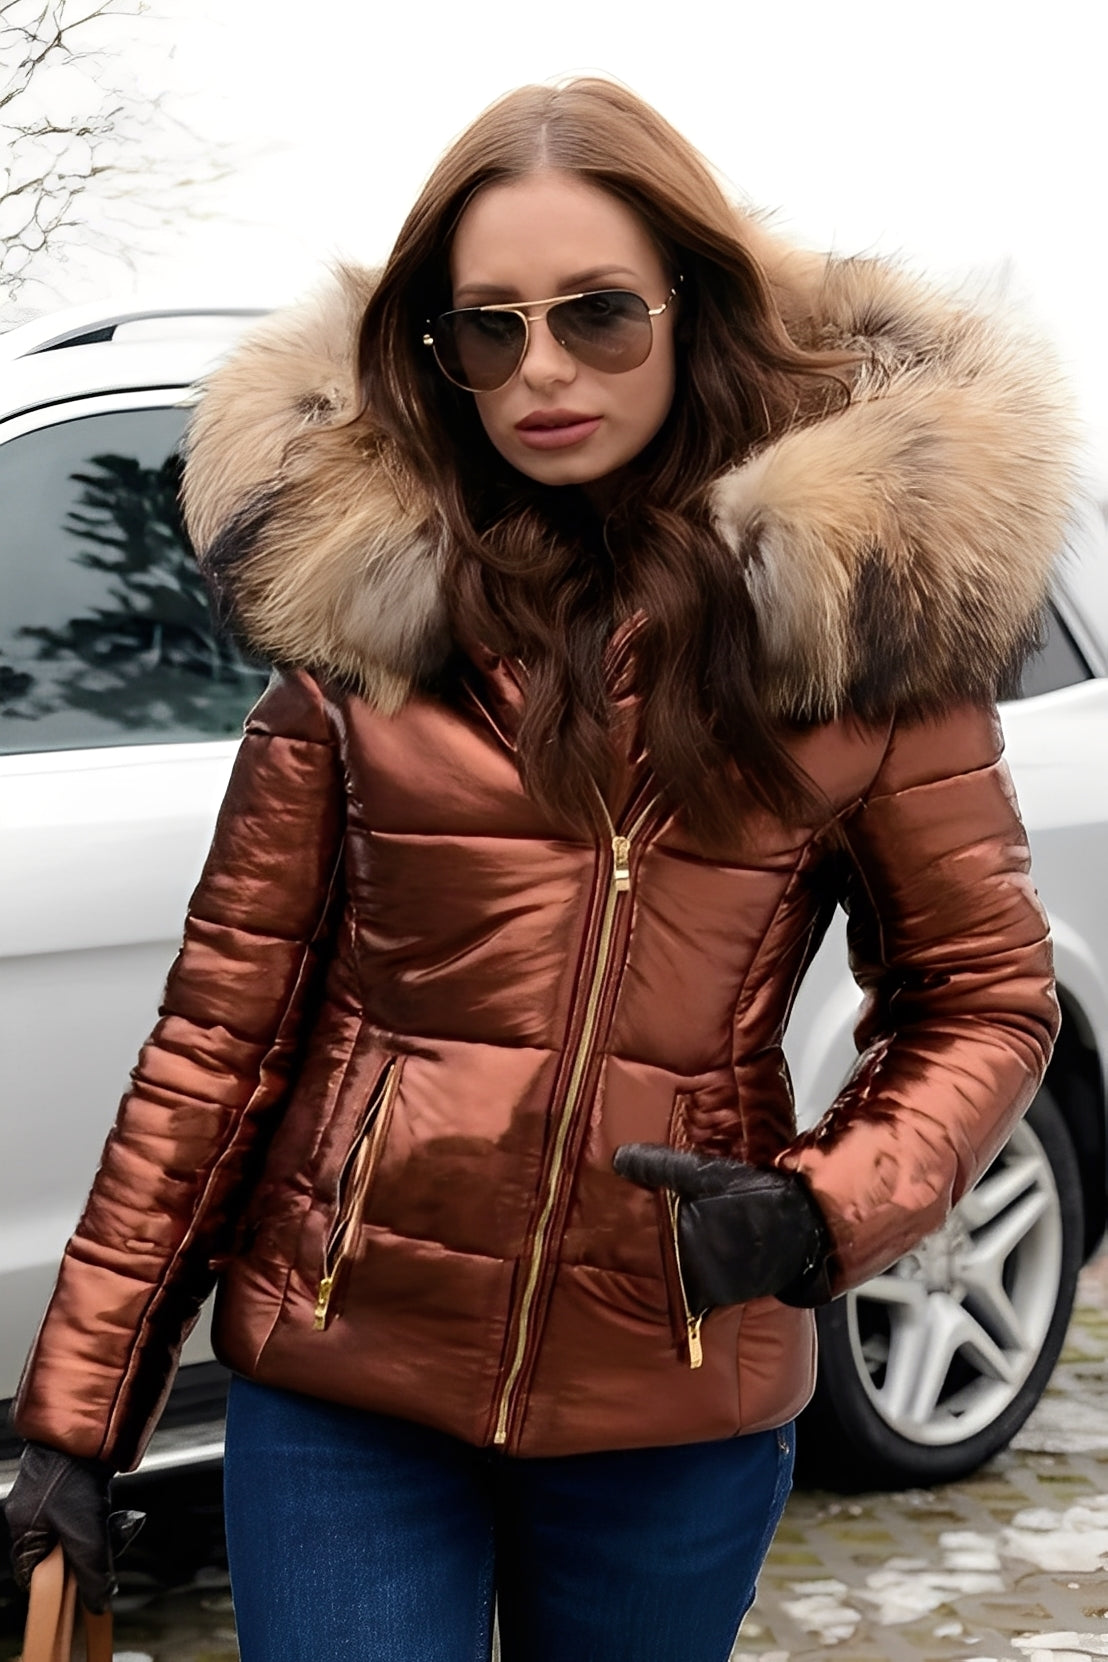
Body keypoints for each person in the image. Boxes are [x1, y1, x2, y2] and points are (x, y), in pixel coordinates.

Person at [5, 76, 1074, 1662]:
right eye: (486, 331)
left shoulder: (857, 629)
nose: (543, 372)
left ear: (693, 307)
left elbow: (984, 996)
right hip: (346, 1376)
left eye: (597, 316)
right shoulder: (363, 629)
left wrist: (820, 1212)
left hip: (677, 1390)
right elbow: (217, 1042)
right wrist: (78, 1413)